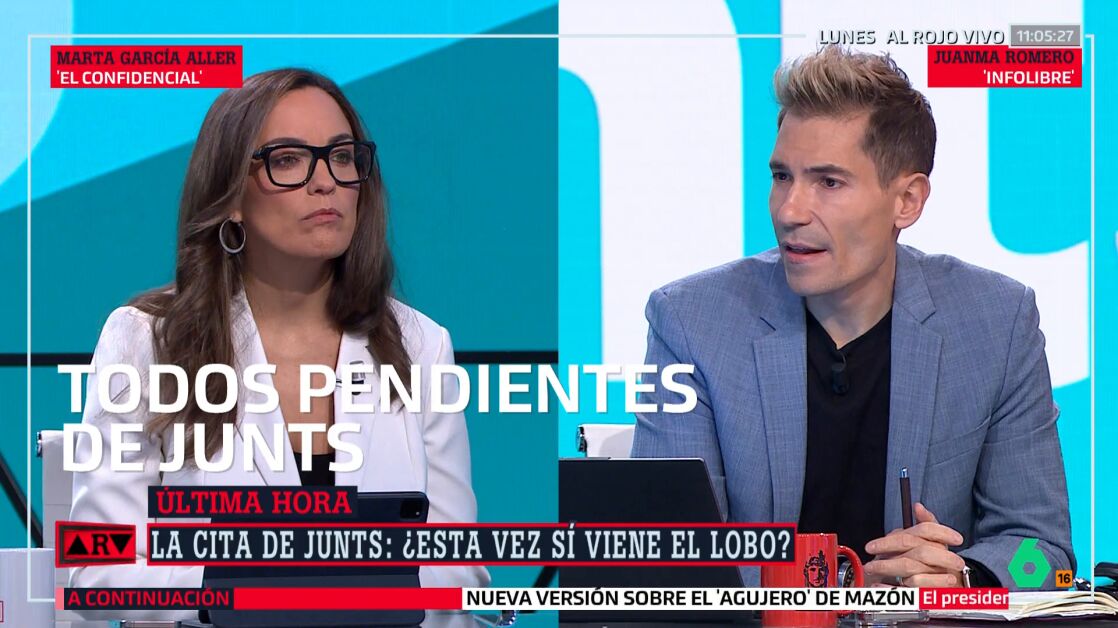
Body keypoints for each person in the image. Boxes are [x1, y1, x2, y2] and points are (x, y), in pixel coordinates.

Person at [631, 46, 1074, 589]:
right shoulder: (692, 322)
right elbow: (663, 556)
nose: (789, 210)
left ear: (907, 200)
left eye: (829, 182)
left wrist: (967, 575)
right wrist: (837, 585)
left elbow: (1045, 557)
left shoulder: (996, 323)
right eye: (782, 176)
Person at [68, 68, 489, 620]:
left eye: (342, 157)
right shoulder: (147, 341)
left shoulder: (421, 346)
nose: (326, 181)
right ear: (231, 196)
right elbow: (98, 570)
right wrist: (257, 587)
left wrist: (358, 596)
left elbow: (456, 566)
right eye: (288, 159)